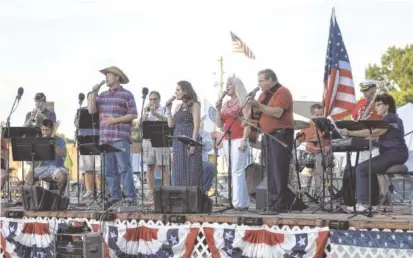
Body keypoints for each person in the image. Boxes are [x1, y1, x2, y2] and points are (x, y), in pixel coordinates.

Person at [340, 93, 409, 212]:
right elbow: (380, 134)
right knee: (369, 169)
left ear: (387, 106)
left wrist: (350, 133)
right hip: (397, 153)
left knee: (361, 168)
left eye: (379, 104)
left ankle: (364, 204)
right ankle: (373, 203)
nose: (376, 107)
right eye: (375, 105)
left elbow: (376, 132)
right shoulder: (394, 118)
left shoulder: (389, 117)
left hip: (394, 153)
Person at [87, 66, 137, 204]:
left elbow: (133, 114)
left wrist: (115, 120)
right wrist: (92, 95)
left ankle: (130, 197)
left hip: (120, 137)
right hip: (105, 138)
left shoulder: (127, 94)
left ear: (117, 77)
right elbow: (91, 111)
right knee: (109, 170)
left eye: (109, 75)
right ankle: (115, 197)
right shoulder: (102, 95)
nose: (106, 77)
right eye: (106, 75)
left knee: (124, 168)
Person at [249, 69, 294, 214]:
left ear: (269, 80)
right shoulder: (263, 95)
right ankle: (273, 201)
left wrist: (258, 106)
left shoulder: (283, 92)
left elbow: (278, 112)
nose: (259, 84)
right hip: (267, 135)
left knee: (279, 170)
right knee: (269, 169)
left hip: (280, 135)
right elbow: (258, 113)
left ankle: (281, 202)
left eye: (261, 81)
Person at [215, 76, 250, 210]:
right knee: (234, 170)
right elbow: (219, 124)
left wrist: (244, 139)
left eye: (230, 84)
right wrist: (218, 109)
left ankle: (237, 202)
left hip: (240, 138)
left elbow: (247, 122)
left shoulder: (243, 101)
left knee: (237, 169)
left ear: (236, 86)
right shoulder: (226, 104)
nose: (227, 87)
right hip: (227, 139)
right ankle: (244, 201)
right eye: (226, 84)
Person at [166, 81, 202, 187]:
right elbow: (171, 124)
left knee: (191, 171)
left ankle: (192, 199)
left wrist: (193, 143)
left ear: (185, 91)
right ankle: (181, 199)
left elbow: (196, 125)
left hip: (189, 140)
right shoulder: (178, 106)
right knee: (179, 170)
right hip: (177, 141)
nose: (175, 92)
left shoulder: (194, 105)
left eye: (178, 90)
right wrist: (168, 109)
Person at [24, 119, 68, 195]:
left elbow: (63, 154)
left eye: (47, 130)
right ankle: (29, 198)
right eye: (43, 130)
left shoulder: (60, 140)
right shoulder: (39, 140)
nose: (44, 133)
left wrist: (55, 145)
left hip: (57, 167)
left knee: (62, 177)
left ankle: (60, 196)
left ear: (52, 129)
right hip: (43, 167)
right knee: (29, 177)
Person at [296, 104, 331, 196]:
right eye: (317, 115)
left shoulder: (326, 125)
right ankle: (294, 190)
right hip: (309, 155)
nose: (320, 117)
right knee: (290, 161)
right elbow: (298, 141)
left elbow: (330, 143)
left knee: (319, 158)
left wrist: (327, 148)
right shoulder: (306, 126)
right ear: (312, 115)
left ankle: (319, 191)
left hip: (323, 155)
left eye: (321, 114)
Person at [142, 91, 171, 194]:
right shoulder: (146, 110)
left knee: (163, 166)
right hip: (148, 141)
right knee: (149, 167)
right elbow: (141, 123)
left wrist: (155, 114)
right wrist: (146, 112)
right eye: (151, 99)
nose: (153, 101)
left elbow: (168, 122)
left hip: (160, 141)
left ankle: (166, 191)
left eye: (155, 99)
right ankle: (152, 191)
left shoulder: (164, 109)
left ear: (159, 100)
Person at [74, 96, 102, 200]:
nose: (92, 101)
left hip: (98, 142)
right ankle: (89, 191)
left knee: (99, 169)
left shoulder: (101, 110)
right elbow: (76, 125)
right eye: (90, 99)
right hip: (85, 142)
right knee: (88, 169)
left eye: (94, 99)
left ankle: (100, 191)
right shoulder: (81, 111)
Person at [199, 120, 215, 194]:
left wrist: (200, 140)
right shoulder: (185, 130)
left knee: (210, 167)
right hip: (187, 160)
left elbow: (209, 148)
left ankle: (203, 192)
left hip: (201, 161)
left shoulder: (204, 133)